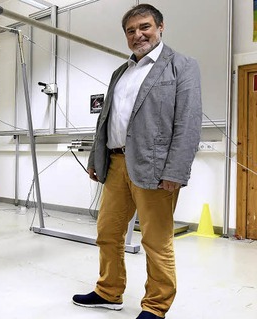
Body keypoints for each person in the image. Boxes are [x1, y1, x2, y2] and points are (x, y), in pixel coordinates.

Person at [72, 4, 201, 319]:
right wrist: (96, 158)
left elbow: (188, 123)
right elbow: (106, 120)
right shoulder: (121, 72)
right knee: (108, 233)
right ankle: (108, 291)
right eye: (130, 31)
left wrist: (176, 171)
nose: (137, 35)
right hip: (116, 164)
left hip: (155, 169)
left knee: (156, 242)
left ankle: (156, 306)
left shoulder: (181, 66)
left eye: (144, 27)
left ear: (160, 27)